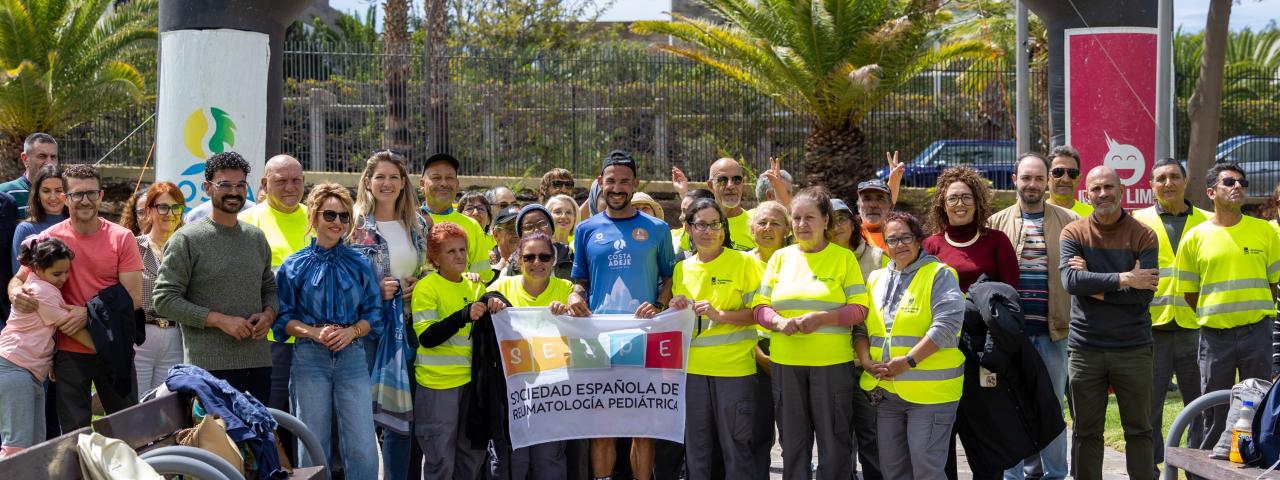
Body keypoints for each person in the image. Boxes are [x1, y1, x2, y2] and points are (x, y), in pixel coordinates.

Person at [7, 164, 143, 432]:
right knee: (73, 435)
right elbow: (18, 280)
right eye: (77, 194)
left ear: (101, 196)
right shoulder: (48, 239)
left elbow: (134, 298)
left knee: (129, 430)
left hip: (113, 347)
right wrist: (14, 293)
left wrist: (86, 314)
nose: (85, 201)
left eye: (91, 193)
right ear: (65, 198)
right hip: (68, 352)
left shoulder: (122, 238)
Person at [566, 150, 676, 480]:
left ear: (635, 184)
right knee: (603, 427)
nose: (617, 188)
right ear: (600, 183)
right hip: (597, 340)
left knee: (643, 428)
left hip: (645, 337)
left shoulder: (657, 229)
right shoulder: (585, 230)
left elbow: (670, 277)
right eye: (610, 181)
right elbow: (580, 281)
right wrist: (574, 295)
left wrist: (658, 304)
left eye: (624, 181)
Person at [750, 186, 869, 480]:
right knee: (792, 443)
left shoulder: (843, 259)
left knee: (834, 443)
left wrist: (823, 318)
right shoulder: (780, 259)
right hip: (786, 365)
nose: (802, 225)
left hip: (831, 366)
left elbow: (859, 310)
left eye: (809, 218)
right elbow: (759, 308)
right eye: (796, 218)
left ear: (825, 221)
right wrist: (778, 323)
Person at [275, 183, 382, 480]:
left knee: (362, 442)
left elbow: (374, 314)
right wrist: (312, 333)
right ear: (313, 215)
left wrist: (351, 333)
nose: (338, 223)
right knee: (311, 441)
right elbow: (282, 319)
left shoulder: (360, 263)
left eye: (344, 217)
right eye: (330, 215)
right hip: (309, 357)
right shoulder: (292, 266)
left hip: (352, 356)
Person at [153, 152, 278, 402]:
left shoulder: (255, 237)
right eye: (225, 185)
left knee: (257, 440)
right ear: (207, 188)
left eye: (240, 185)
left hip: (258, 363)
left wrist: (268, 314)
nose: (234, 192)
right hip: (208, 369)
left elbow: (269, 288)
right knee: (214, 441)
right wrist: (219, 320)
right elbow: (164, 300)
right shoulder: (186, 239)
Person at [1060, 166, 1158, 480]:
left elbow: (1142, 298)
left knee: (1139, 430)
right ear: (1086, 195)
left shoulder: (1143, 234)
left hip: (1133, 347)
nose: (1103, 194)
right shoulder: (1073, 233)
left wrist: (1095, 286)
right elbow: (1072, 282)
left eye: (1109, 187)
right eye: (1096, 189)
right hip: (1085, 348)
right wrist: (1126, 278)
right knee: (1086, 432)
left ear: (1122, 190)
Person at [1175, 162, 1279, 450]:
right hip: (1214, 338)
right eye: (1229, 182)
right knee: (1215, 409)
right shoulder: (1195, 237)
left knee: (1258, 407)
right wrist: (1219, 314)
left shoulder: (1265, 232)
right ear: (1211, 192)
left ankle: (1251, 461)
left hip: (1257, 334)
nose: (1238, 186)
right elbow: (1190, 293)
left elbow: (1273, 286)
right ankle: (1207, 468)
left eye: (1241, 182)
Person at [988, 153, 1079, 480]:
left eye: (1039, 178)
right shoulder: (996, 223)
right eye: (1026, 178)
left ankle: (1055, 474)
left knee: (1051, 408)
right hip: (1010, 337)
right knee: (1010, 408)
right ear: (1014, 180)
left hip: (1054, 332)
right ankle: (1013, 476)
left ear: (1047, 182)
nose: (1032, 184)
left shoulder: (1069, 221)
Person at [857, 211, 965, 480]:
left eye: (905, 237)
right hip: (886, 393)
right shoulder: (876, 279)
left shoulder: (940, 274)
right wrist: (866, 361)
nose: (899, 245)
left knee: (926, 467)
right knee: (893, 471)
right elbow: (860, 328)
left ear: (918, 240)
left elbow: (946, 326)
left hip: (930, 393)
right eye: (891, 240)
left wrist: (908, 362)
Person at [348, 150, 430, 480]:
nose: (387, 183)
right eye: (380, 177)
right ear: (367, 182)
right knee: (363, 416)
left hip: (407, 329)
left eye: (393, 177)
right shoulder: (352, 224)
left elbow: (429, 270)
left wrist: (418, 284)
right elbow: (339, 278)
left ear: (403, 183)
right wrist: (374, 290)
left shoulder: (419, 223)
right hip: (367, 330)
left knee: (401, 415)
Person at [669, 197, 765, 479]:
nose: (708, 231)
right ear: (688, 228)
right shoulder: (681, 269)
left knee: (736, 449)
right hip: (693, 372)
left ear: (723, 228)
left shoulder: (744, 263)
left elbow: (758, 314)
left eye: (714, 224)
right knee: (696, 450)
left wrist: (719, 314)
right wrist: (676, 308)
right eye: (701, 225)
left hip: (734, 371)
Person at [1130, 158, 1208, 466]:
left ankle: (1198, 467)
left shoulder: (1207, 220)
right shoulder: (1136, 220)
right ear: (1151, 185)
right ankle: (1150, 467)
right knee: (1148, 407)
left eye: (1174, 176)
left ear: (1186, 181)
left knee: (1200, 406)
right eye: (1160, 178)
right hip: (1151, 329)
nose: (1168, 183)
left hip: (1196, 328)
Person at [486, 231, 574, 479]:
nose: (537, 263)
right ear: (518, 259)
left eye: (544, 257)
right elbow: (478, 303)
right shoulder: (503, 286)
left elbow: (583, 322)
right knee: (515, 461)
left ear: (554, 261)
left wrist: (570, 310)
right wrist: (491, 299)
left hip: (553, 394)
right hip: (513, 392)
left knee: (549, 461)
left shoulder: (565, 289)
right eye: (530, 257)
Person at [237, 155, 311, 432]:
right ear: (265, 184)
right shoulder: (246, 222)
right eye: (281, 181)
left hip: (315, 338)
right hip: (269, 341)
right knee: (272, 417)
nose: (290, 187)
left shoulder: (317, 218)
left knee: (310, 422)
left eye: (296, 181)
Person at [411, 222, 489, 479]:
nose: (459, 256)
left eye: (462, 250)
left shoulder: (476, 287)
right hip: (438, 386)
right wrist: (463, 316)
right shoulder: (426, 287)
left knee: (471, 458)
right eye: (451, 251)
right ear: (435, 257)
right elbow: (427, 337)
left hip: (471, 385)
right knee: (440, 460)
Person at [824, 197, 885, 480]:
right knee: (836, 439)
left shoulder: (875, 258)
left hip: (867, 363)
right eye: (831, 220)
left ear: (854, 223)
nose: (837, 227)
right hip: (830, 361)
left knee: (872, 438)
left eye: (843, 219)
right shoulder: (815, 259)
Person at [0, 237, 76, 457]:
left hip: (29, 372)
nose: (64, 278)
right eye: (57, 273)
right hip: (14, 367)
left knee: (34, 445)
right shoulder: (43, 291)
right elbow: (70, 325)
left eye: (66, 272)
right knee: (16, 445)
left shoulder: (40, 283)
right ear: (37, 268)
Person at [923, 167, 1019, 292]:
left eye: (966, 197)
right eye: (952, 198)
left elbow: (1010, 291)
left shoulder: (997, 240)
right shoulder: (930, 245)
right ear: (943, 206)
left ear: (977, 202)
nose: (960, 203)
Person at [133, 182, 186, 398]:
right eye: (163, 207)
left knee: (165, 404)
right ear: (149, 211)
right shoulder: (133, 246)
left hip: (176, 336)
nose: (170, 213)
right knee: (136, 405)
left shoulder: (188, 249)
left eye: (176, 207)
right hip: (142, 336)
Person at [419, 153, 496, 283]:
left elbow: (482, 278)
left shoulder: (472, 226)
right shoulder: (410, 222)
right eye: (436, 178)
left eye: (449, 178)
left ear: (457, 184)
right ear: (422, 184)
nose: (444, 183)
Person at [12, 165, 69, 274]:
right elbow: (19, 277)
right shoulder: (25, 229)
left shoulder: (77, 223)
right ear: (37, 194)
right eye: (46, 191)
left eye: (58, 190)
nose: (53, 197)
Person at [501, 204, 572, 280]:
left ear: (552, 229)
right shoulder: (510, 271)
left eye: (542, 224)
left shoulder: (571, 261)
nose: (536, 230)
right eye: (528, 227)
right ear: (520, 236)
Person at [0, 133, 59, 220]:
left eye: (53, 157)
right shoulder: (4, 193)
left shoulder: (66, 194)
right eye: (42, 156)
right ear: (25, 159)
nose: (49, 163)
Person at [1046, 145, 1093, 218]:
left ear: (1079, 178)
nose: (1066, 179)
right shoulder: (1036, 213)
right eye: (1058, 172)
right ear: (1047, 177)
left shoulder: (1092, 215)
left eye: (1072, 173)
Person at [748, 200, 790, 265]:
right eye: (762, 223)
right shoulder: (742, 261)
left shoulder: (795, 262)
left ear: (786, 230)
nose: (768, 228)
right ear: (752, 229)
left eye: (775, 223)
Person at [490, 207, 521, 275]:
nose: (517, 234)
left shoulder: (532, 262)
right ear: (496, 234)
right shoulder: (485, 262)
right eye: (511, 229)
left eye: (520, 229)